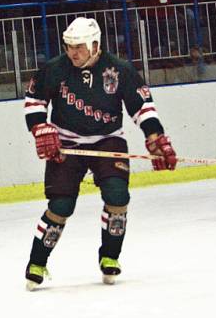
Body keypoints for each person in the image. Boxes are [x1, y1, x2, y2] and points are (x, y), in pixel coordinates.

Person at [22, 17, 177, 290]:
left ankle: (109, 257)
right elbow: (34, 101)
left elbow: (143, 108)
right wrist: (39, 127)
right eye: (69, 46)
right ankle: (37, 262)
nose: (73, 52)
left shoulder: (119, 70)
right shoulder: (54, 69)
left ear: (95, 45)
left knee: (118, 196)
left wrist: (154, 136)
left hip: (108, 141)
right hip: (66, 144)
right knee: (61, 206)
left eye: (79, 46)